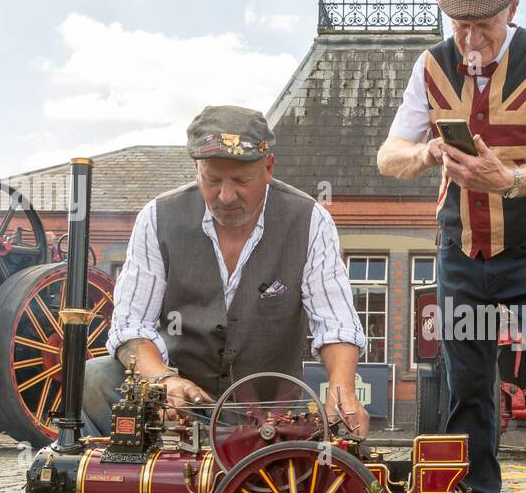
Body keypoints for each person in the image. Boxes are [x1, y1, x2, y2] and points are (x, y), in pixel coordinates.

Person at [377, 0, 526, 493]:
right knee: (467, 379)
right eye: (461, 26)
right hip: (464, 252)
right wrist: (424, 156)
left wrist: (511, 181)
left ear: (512, 9)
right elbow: (388, 154)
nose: (470, 41)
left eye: (484, 27)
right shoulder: (431, 64)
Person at [84, 105, 368, 435]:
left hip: (267, 421)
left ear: (269, 168)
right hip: (178, 412)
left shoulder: (310, 221)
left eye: (241, 181)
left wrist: (342, 389)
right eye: (213, 180)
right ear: (196, 169)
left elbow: (336, 324)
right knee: (96, 377)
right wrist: (164, 380)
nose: (226, 196)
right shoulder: (157, 218)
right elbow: (131, 326)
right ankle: (122, 481)